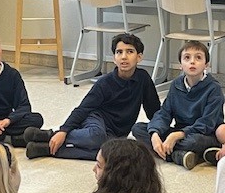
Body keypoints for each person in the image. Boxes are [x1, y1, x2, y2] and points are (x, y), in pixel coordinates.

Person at [25, 33, 160, 161]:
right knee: (97, 136)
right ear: (114, 58)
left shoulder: (143, 79)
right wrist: (63, 131)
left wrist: (159, 131)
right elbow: (83, 108)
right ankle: (49, 135)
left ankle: (46, 149)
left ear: (139, 57)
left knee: (110, 153)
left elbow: (153, 110)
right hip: (96, 121)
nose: (124, 57)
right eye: (119, 52)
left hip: (117, 134)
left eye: (130, 52)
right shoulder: (105, 82)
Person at [132, 41, 225, 170]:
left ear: (206, 65)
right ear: (180, 65)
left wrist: (176, 135)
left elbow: (207, 123)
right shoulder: (176, 85)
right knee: (138, 128)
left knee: (194, 142)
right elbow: (164, 113)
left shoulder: (213, 88)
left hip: (203, 134)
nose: (192, 62)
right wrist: (155, 134)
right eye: (187, 58)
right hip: (180, 131)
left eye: (198, 58)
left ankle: (174, 154)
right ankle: (179, 155)